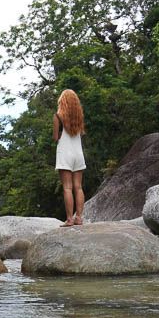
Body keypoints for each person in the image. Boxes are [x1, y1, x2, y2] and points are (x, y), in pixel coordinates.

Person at [52, 89, 86, 227]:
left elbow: (55, 138)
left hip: (65, 153)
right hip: (78, 154)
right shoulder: (78, 118)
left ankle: (69, 219)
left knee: (67, 188)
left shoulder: (58, 116)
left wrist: (59, 136)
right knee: (78, 187)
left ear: (62, 101)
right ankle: (79, 218)